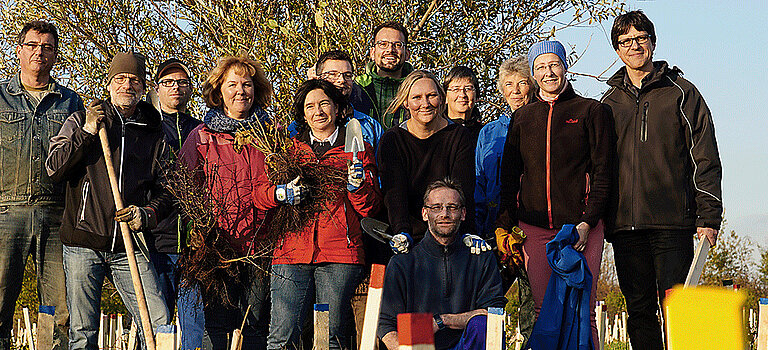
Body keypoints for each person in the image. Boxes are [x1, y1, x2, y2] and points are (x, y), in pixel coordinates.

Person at [600, 11, 722, 349]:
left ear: (653, 43)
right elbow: (599, 167)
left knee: (678, 309)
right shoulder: (607, 104)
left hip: (674, 223)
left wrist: (709, 215)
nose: (634, 46)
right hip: (625, 226)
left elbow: (705, 156)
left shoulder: (682, 93)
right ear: (617, 50)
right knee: (639, 311)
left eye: (641, 38)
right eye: (626, 41)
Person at [46, 52, 172, 349]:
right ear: (109, 83)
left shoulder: (154, 133)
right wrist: (87, 132)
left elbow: (170, 190)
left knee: (158, 321)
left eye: (135, 80)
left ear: (144, 88)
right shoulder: (81, 120)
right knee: (83, 332)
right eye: (121, 78)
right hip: (83, 243)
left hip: (131, 242)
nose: (127, 85)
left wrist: (147, 214)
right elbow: (55, 168)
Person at [494, 40, 614, 346]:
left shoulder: (591, 110)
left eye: (553, 64)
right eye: (540, 67)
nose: (548, 73)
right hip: (533, 228)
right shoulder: (523, 118)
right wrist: (505, 224)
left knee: (583, 310)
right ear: (533, 75)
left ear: (565, 66)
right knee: (541, 308)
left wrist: (588, 221)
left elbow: (604, 172)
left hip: (580, 228)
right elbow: (509, 176)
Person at [261, 79, 381, 350]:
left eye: (325, 103)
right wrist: (279, 193)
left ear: (338, 108)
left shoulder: (357, 150)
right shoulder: (289, 152)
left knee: (331, 339)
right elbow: (263, 194)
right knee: (282, 336)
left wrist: (357, 186)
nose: (318, 111)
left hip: (340, 253)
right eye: (310, 106)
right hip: (291, 252)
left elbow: (370, 209)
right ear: (303, 115)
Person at [179, 55, 275, 350]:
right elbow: (185, 186)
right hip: (216, 247)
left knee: (254, 323)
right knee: (216, 325)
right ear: (219, 90)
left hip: (262, 245)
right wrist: (199, 230)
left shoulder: (272, 135)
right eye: (232, 84)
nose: (240, 91)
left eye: (247, 84)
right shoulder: (201, 136)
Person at [0, 20, 83, 350]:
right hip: (6, 212)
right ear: (18, 50)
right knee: (1, 301)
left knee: (57, 308)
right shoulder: (0, 97)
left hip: (56, 214)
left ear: (55, 56)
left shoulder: (70, 103)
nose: (39, 52)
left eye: (47, 47)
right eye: (32, 45)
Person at [377, 178, 506, 350]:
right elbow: (385, 323)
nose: (444, 214)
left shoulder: (481, 259)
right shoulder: (403, 263)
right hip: (419, 346)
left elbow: (494, 314)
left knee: (483, 325)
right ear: (424, 213)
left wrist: (442, 320)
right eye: (436, 207)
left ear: (463, 213)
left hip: (465, 346)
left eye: (452, 207)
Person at [377, 70, 479, 254]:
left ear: (441, 98)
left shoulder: (459, 136)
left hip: (448, 231)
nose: (425, 103)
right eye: (417, 97)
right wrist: (402, 231)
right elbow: (394, 193)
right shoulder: (392, 140)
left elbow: (463, 188)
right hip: (406, 232)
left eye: (431, 96)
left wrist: (466, 232)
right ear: (406, 102)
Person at [149, 58, 205, 350]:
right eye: (168, 83)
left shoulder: (202, 130)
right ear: (156, 89)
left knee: (193, 323)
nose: (176, 88)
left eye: (182, 82)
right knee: (158, 322)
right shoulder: (148, 128)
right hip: (157, 239)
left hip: (193, 242)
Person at [474, 56, 534, 239]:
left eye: (522, 83)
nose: (515, 91)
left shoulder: (544, 126)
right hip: (493, 226)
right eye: (508, 84)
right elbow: (479, 183)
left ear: (533, 86)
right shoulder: (488, 132)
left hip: (533, 226)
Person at [293, 50, 384, 152]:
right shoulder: (299, 126)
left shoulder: (370, 126)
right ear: (318, 78)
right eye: (333, 74)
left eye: (348, 75)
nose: (341, 80)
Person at [351, 21, 414, 129]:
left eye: (397, 45)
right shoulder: (356, 88)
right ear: (372, 52)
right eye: (383, 44)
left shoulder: (417, 88)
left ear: (407, 54)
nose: (390, 50)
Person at [442, 66, 483, 144]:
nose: (462, 95)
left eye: (468, 89)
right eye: (456, 89)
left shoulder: (486, 134)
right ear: (445, 97)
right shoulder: (436, 132)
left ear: (477, 96)